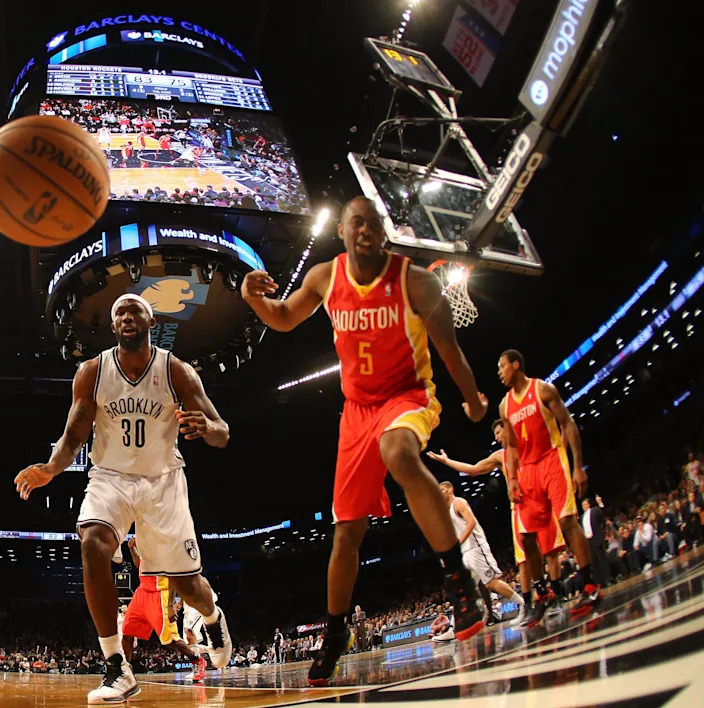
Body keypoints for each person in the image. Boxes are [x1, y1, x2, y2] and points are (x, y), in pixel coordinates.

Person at [242, 196, 489, 686]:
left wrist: (474, 399)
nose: (364, 229)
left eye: (373, 221)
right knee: (346, 534)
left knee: (397, 452)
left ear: (383, 231)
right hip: (356, 413)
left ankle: (458, 581)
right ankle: (335, 634)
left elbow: (450, 349)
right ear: (342, 232)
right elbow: (286, 317)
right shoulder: (324, 277)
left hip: (406, 397)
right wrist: (254, 300)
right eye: (355, 221)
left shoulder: (415, 281)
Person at [14, 293, 233, 704]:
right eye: (120, 314)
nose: (127, 317)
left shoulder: (176, 370)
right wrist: (51, 468)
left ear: (152, 322)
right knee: (92, 542)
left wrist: (209, 428)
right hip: (111, 477)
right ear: (113, 326)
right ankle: (117, 665)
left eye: (136, 312)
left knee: (188, 586)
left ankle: (212, 616)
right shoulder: (92, 372)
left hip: (162, 482)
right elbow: (74, 434)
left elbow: (223, 431)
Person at [427, 418, 566, 627]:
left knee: (550, 552)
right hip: (519, 508)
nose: (498, 437)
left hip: (539, 500)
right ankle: (528, 604)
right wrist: (447, 462)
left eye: (500, 433)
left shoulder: (529, 448)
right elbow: (473, 469)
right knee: (523, 562)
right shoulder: (501, 456)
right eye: (496, 435)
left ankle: (558, 598)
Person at [498, 349, 602, 625]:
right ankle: (543, 593)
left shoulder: (543, 389)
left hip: (552, 459)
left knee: (568, 521)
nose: (499, 372)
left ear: (516, 365)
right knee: (527, 538)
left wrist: (578, 466)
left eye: (502, 366)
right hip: (527, 471)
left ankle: (590, 585)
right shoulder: (505, 406)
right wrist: (512, 479)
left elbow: (568, 424)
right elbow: (510, 446)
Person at [438, 481, 525, 625]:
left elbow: (471, 522)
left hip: (476, 547)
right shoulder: (446, 511)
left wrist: (459, 543)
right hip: (465, 552)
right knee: (461, 587)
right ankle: (454, 627)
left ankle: (522, 603)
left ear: (450, 490)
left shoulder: (458, 502)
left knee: (491, 583)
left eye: (441, 489)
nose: (439, 493)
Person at [121, 537, 207, 682]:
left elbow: (173, 578)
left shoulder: (165, 549)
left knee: (170, 639)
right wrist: (132, 549)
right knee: (127, 633)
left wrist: (170, 606)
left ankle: (197, 660)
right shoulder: (147, 546)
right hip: (142, 592)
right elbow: (140, 566)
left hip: (160, 594)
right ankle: (125, 671)